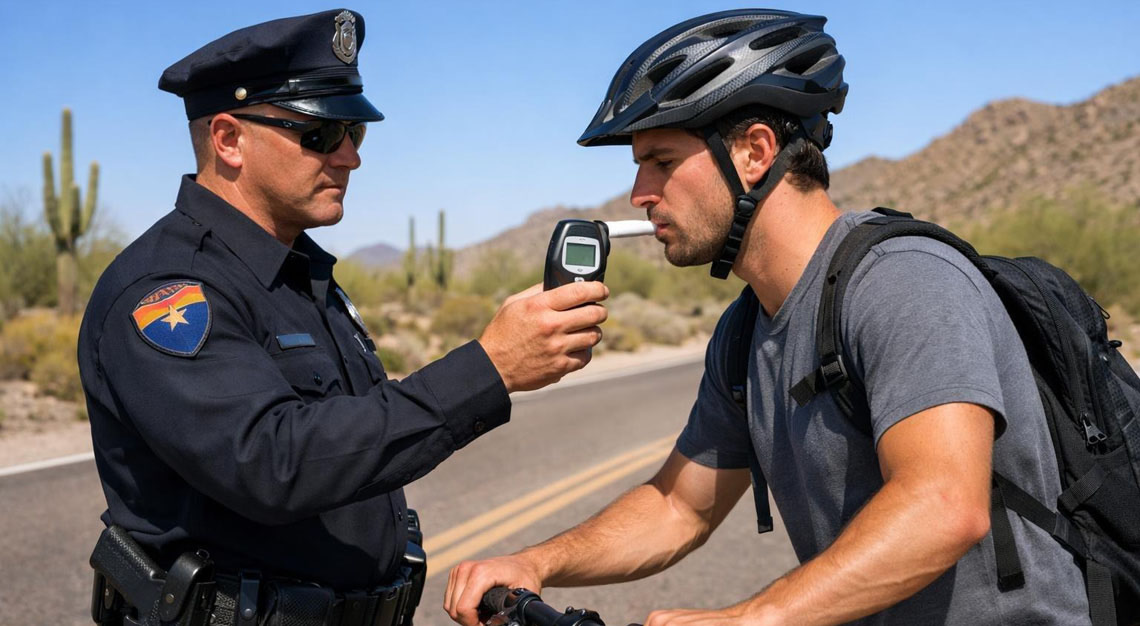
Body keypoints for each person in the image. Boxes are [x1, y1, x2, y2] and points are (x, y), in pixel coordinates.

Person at [444, 9, 1090, 625]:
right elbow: (678, 507)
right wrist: (535, 562)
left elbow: (945, 505)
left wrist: (755, 616)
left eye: (661, 162)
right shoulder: (745, 330)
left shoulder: (903, 281)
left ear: (755, 152)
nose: (640, 194)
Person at [77, 9, 607, 626]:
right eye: (321, 136)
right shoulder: (168, 291)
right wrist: (488, 368)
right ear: (228, 139)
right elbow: (273, 464)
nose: (350, 158)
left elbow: (348, 436)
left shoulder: (299, 274)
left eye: (355, 132)